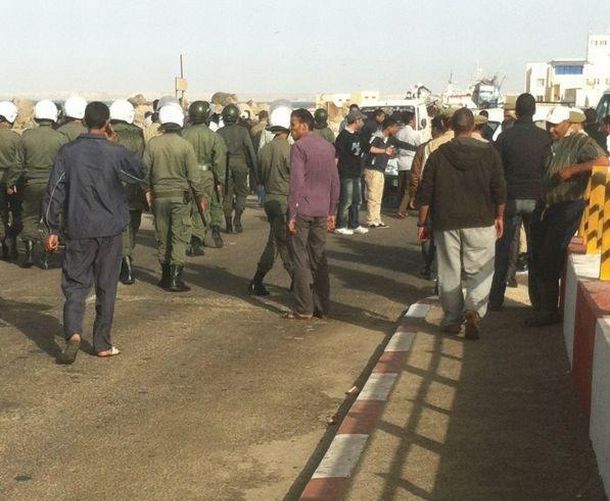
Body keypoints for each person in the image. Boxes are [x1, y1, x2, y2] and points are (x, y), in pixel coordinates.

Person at [41, 101, 147, 364]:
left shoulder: (67, 152)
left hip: (78, 228)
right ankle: (102, 343)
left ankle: (74, 334)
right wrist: (115, 144)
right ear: (107, 122)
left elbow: (54, 191)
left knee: (75, 285)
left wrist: (51, 228)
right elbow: (140, 173)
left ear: (84, 121)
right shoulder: (114, 153)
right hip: (110, 230)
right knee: (106, 287)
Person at [417, 107, 506, 339]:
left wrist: (422, 223)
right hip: (481, 219)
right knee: (481, 269)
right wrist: (499, 216)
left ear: (451, 127)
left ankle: (451, 318)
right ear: (474, 126)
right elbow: (500, 188)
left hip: (447, 222)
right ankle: (474, 310)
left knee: (449, 270)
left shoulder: (438, 154)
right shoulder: (489, 153)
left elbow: (425, 191)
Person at [527, 106, 609, 326]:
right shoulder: (554, 144)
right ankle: (543, 307)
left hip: (569, 206)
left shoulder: (581, 142)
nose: (551, 129)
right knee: (540, 257)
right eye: (549, 125)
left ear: (568, 124)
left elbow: (603, 161)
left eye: (555, 125)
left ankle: (547, 311)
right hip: (549, 207)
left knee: (549, 257)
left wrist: (573, 170)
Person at [489, 93, 551, 311]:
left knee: (503, 251)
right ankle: (537, 301)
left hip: (510, 198)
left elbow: (496, 171)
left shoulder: (505, 137)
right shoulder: (545, 138)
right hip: (536, 199)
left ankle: (496, 298)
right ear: (534, 111)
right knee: (535, 251)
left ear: (517, 110)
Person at [144, 104, 207, 292]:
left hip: (158, 197)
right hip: (179, 198)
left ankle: (164, 276)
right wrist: (200, 197)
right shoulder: (185, 146)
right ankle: (175, 278)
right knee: (179, 237)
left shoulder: (153, 144)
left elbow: (143, 171)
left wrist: (147, 190)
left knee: (162, 236)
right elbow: (194, 178)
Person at [286, 109, 339, 320]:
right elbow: (335, 181)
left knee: (299, 258)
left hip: (303, 210)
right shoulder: (328, 147)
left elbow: (296, 182)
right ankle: (322, 306)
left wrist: (292, 213)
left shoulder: (299, 147)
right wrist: (332, 211)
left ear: (304, 126)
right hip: (322, 209)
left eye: (293, 125)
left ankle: (303, 308)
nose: (291, 130)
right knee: (319, 258)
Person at [7, 100, 68, 268]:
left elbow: (18, 164)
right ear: (53, 116)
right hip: (54, 186)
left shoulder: (26, 136)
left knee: (30, 217)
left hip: (31, 183)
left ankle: (29, 252)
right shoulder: (60, 138)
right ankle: (47, 256)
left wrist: (11, 182)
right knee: (52, 218)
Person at [249, 105, 294, 296]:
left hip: (269, 198)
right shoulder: (291, 150)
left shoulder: (265, 149)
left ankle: (259, 280)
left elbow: (259, 175)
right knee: (281, 243)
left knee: (277, 241)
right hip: (285, 200)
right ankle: (296, 279)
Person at [109, 99, 146, 285]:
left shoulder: (107, 135)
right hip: (134, 187)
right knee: (132, 225)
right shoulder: (139, 136)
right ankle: (127, 257)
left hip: (113, 187)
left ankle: (124, 262)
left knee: (119, 227)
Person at [183, 101, 227, 251]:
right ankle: (196, 239)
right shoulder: (214, 137)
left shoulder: (183, 134)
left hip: (186, 175)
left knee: (187, 207)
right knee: (202, 207)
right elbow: (219, 161)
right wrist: (220, 180)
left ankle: (187, 236)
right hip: (206, 176)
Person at [217, 104, 258, 233]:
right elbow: (251, 151)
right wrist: (255, 170)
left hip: (225, 166)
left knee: (227, 195)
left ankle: (228, 224)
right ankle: (238, 219)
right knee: (241, 194)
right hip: (241, 166)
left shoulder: (219, 132)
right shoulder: (243, 131)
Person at [334, 108, 368, 236]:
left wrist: (384, 151)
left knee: (357, 200)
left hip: (356, 173)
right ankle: (340, 225)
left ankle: (354, 224)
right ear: (356, 121)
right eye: (361, 120)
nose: (363, 122)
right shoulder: (343, 136)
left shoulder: (358, 135)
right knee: (346, 201)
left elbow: (368, 148)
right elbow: (336, 155)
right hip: (346, 173)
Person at [364, 118, 401, 228]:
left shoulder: (387, 139)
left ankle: (377, 219)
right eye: (395, 127)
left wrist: (390, 153)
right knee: (373, 195)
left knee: (379, 196)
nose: (397, 130)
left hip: (381, 170)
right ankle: (371, 220)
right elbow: (369, 148)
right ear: (389, 127)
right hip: (372, 169)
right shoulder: (377, 137)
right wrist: (384, 151)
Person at [0, 101, 21, 260]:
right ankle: (11, 241)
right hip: (12, 181)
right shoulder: (16, 138)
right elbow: (19, 162)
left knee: (2, 214)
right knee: (17, 213)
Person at [395, 111, 421, 217]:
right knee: (409, 187)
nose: (415, 122)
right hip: (411, 161)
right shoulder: (415, 134)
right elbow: (419, 148)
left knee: (401, 186)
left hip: (400, 161)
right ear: (411, 121)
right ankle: (402, 209)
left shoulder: (399, 133)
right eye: (415, 119)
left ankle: (400, 207)